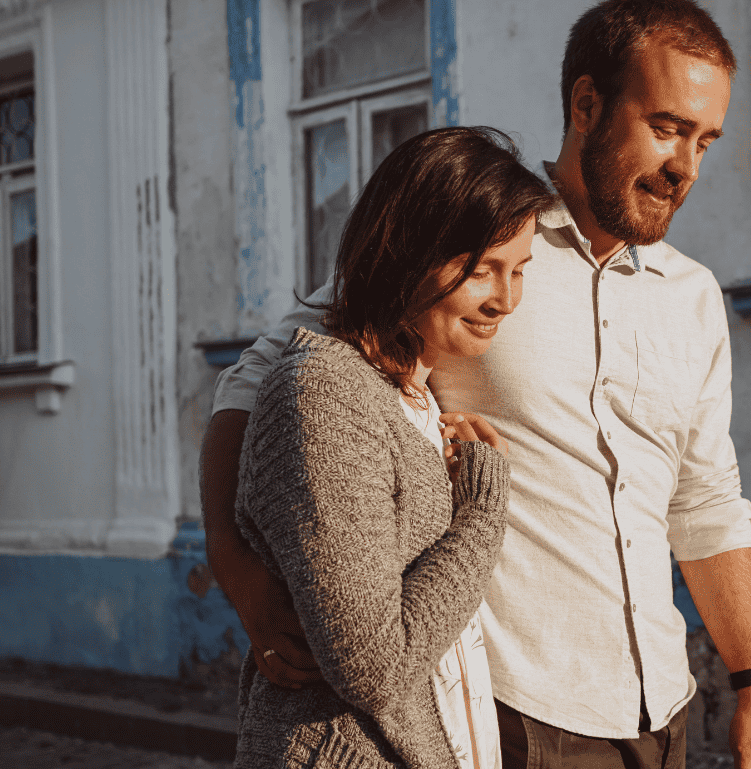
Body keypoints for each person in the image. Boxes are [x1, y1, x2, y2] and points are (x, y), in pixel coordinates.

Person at [200, 2, 751, 769]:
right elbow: (257, 379)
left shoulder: (693, 296)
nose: (688, 166)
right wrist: (234, 564)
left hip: (660, 706)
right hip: (513, 710)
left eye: (705, 140)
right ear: (586, 105)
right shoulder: (471, 244)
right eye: (668, 128)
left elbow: (705, 498)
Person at [229, 126, 556, 769]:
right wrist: (483, 515)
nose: (507, 299)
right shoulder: (325, 394)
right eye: (483, 270)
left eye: (519, 270)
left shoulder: (408, 394)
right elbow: (375, 668)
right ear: (407, 255)